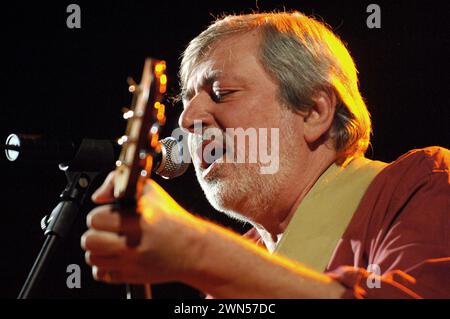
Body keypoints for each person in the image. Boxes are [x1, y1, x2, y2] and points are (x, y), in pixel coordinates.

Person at [80, 12, 449, 298]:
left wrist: (197, 250)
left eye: (221, 92)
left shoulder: (423, 183)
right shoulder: (234, 271)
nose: (187, 119)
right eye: (188, 100)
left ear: (314, 111)